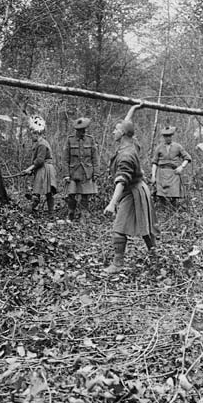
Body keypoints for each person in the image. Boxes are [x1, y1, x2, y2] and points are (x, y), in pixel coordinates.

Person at [103, 103, 160, 274]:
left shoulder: (127, 154)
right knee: (145, 226)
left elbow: (122, 180)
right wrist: (134, 108)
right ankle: (155, 255)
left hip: (133, 191)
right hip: (137, 189)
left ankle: (118, 264)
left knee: (119, 228)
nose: (113, 131)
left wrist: (112, 203)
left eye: (115, 129)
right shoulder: (131, 143)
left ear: (122, 133)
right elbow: (128, 123)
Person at [63, 117, 100, 221]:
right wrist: (66, 174)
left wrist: (96, 173)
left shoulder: (90, 139)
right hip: (73, 172)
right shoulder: (70, 140)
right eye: (80, 130)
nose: (83, 132)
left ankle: (83, 215)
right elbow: (65, 159)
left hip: (86, 172)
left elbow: (95, 157)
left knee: (85, 196)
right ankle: (71, 214)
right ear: (76, 130)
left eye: (84, 130)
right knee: (71, 195)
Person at [22, 115, 58, 215]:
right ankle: (34, 209)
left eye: (32, 134)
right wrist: (30, 170)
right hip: (42, 168)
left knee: (46, 192)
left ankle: (50, 212)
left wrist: (29, 169)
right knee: (40, 191)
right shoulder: (39, 143)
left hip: (45, 168)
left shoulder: (42, 144)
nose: (31, 136)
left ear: (37, 134)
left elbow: (40, 161)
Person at [151, 126, 192, 207]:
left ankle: (173, 209)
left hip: (174, 173)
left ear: (172, 136)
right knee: (161, 196)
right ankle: (162, 209)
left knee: (174, 197)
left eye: (169, 136)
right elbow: (154, 162)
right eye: (166, 136)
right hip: (161, 173)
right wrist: (153, 176)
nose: (168, 138)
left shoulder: (178, 146)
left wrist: (181, 167)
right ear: (163, 137)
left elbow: (187, 158)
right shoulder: (159, 147)